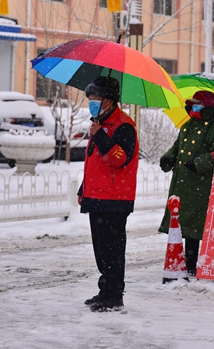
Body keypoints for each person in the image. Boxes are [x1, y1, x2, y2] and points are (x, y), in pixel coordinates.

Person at [78, 76, 139, 312]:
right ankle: (105, 290)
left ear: (109, 101)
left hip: (115, 199)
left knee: (113, 250)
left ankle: (115, 295)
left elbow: (120, 159)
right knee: (101, 250)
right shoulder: (100, 123)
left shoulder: (123, 126)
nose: (92, 104)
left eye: (96, 99)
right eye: (90, 99)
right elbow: (94, 162)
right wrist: (84, 188)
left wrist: (101, 135)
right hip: (97, 196)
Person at [158, 90, 214, 277]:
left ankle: (191, 265)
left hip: (200, 184)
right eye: (193, 103)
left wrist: (200, 163)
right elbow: (178, 146)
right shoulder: (188, 125)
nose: (194, 106)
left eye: (198, 103)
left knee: (194, 228)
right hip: (181, 183)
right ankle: (177, 261)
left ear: (207, 106)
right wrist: (168, 159)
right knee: (179, 223)